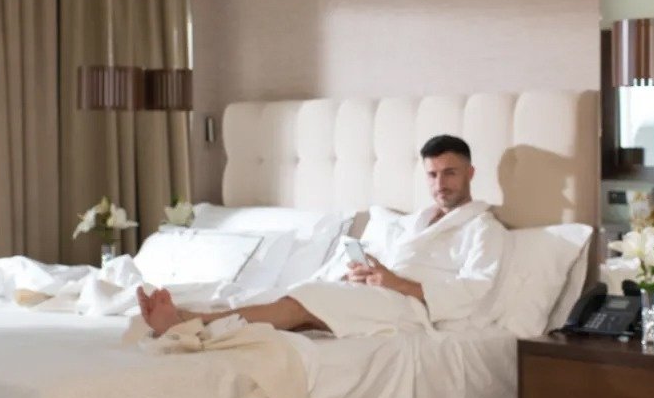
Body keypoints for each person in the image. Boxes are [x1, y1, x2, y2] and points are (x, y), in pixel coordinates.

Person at [136, 134, 506, 339]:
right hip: (380, 294)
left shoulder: (483, 229)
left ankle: (193, 321)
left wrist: (396, 283)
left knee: (305, 302)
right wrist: (365, 273)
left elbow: (473, 291)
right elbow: (390, 266)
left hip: (411, 309)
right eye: (432, 174)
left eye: (450, 173)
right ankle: (199, 321)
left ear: (470, 173)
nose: (440, 183)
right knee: (299, 305)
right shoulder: (415, 222)